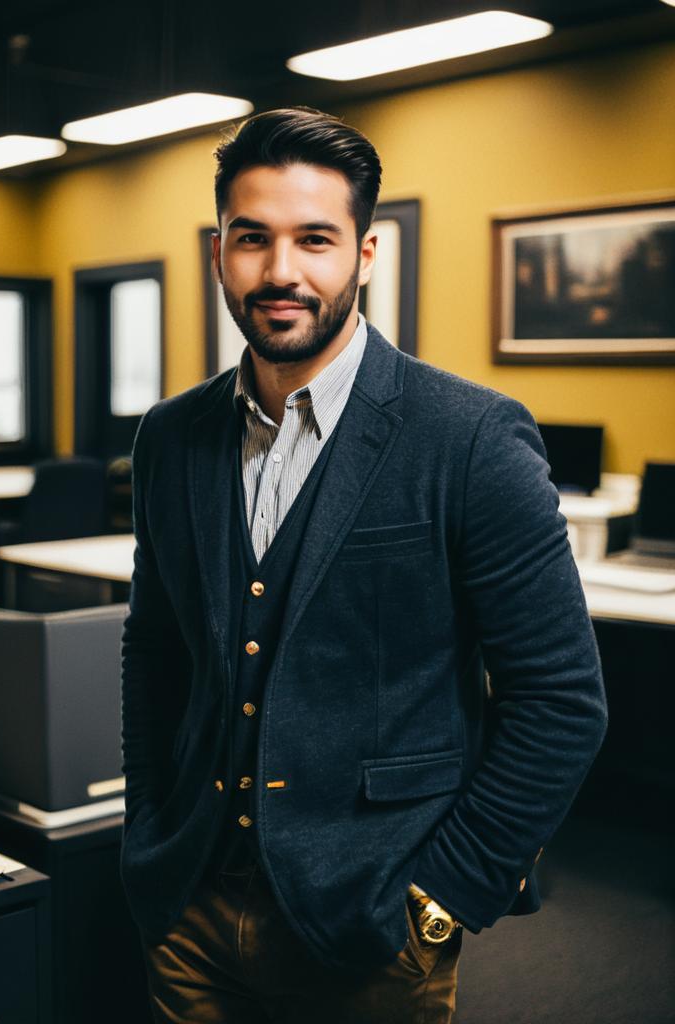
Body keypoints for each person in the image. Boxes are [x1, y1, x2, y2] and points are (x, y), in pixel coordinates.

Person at [120, 106, 608, 1023]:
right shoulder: (169, 439)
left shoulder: (468, 437)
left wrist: (441, 903)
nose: (282, 271)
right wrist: (151, 838)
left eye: (316, 239)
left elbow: (561, 702)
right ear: (217, 252)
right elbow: (154, 656)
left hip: (373, 934)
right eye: (252, 238)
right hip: (189, 913)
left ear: (366, 253)